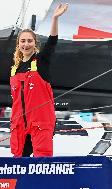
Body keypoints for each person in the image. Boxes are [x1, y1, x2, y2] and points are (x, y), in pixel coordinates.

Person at [10, 4, 68, 157]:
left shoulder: (41, 61)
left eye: (29, 41)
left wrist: (55, 18)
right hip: (20, 125)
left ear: (35, 43)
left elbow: (52, 42)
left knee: (42, 162)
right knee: (18, 164)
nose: (26, 44)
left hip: (40, 123)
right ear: (18, 44)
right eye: (23, 41)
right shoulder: (14, 68)